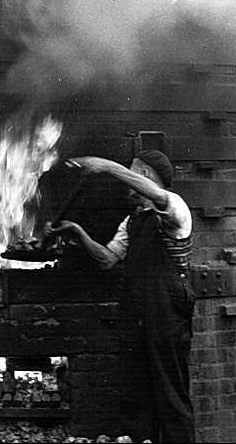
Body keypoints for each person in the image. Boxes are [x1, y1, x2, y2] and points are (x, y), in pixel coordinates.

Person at [46, 149, 196, 444]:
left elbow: (157, 197)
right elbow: (107, 259)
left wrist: (104, 166)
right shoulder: (133, 222)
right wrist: (76, 231)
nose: (127, 183)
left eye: (131, 173)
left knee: (170, 394)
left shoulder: (175, 209)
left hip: (166, 316)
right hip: (136, 315)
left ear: (144, 175)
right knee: (137, 397)